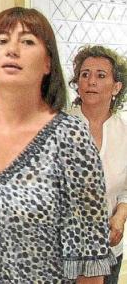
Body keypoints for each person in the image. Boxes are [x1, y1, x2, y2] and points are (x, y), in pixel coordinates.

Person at [0, 7, 114, 283]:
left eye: (27, 41)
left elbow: (89, 259)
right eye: (1, 40)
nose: (12, 50)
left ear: (47, 63)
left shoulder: (70, 137)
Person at [70, 45, 127, 284]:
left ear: (116, 87)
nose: (91, 81)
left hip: (108, 250)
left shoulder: (124, 133)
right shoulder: (57, 127)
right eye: (85, 74)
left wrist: (120, 216)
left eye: (101, 75)